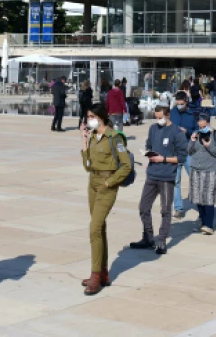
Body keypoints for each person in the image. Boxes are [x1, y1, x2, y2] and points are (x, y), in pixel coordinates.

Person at [80, 103, 131, 296]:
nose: (88, 120)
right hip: (92, 182)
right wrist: (84, 141)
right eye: (87, 116)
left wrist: (111, 182)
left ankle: (95, 276)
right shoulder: (93, 136)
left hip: (106, 185)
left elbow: (126, 166)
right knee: (99, 228)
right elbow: (86, 166)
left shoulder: (114, 137)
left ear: (100, 118)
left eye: (91, 116)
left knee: (94, 229)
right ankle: (103, 272)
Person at [131, 106, 188, 254]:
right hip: (152, 174)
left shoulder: (177, 133)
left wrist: (163, 158)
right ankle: (148, 238)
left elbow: (182, 157)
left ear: (168, 115)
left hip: (167, 177)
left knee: (165, 210)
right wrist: (148, 153)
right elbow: (149, 144)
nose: (158, 120)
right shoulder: (153, 129)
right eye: (156, 117)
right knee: (143, 207)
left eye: (160, 117)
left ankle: (162, 241)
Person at [186, 113, 216, 235]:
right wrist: (192, 141)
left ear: (209, 123)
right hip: (196, 169)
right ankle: (202, 222)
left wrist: (210, 147)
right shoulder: (196, 134)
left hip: (210, 169)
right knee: (197, 197)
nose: (202, 128)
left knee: (208, 197)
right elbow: (189, 151)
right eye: (200, 126)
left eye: (204, 126)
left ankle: (208, 225)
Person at [170, 92, 197, 219]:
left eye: (181, 103)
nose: (179, 106)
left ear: (186, 101)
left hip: (188, 150)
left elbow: (199, 129)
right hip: (175, 151)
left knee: (195, 177)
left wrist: (188, 131)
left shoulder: (193, 113)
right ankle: (178, 208)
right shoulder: (172, 112)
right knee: (176, 181)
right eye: (177, 103)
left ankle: (200, 204)